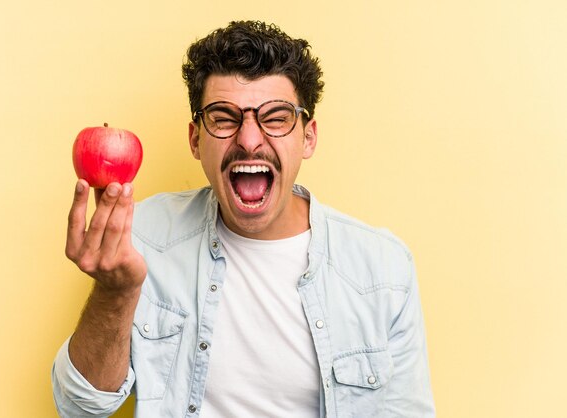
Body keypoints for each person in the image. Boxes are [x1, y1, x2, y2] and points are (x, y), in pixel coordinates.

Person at [52, 20, 435, 417]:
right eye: (223, 117)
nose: (249, 139)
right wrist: (114, 294)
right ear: (195, 139)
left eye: (276, 117)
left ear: (308, 137)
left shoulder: (383, 269)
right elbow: (79, 409)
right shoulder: (142, 237)